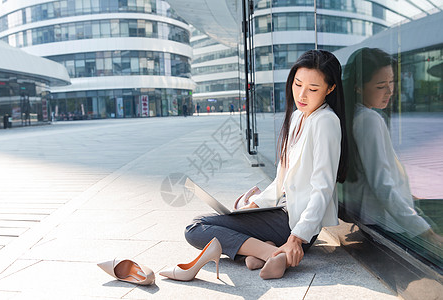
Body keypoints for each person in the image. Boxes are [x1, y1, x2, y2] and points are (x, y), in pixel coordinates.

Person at [184, 50, 348, 280]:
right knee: (221, 221)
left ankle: (272, 252)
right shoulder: (298, 117)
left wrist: (296, 238)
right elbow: (281, 181)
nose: (302, 94)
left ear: (330, 89)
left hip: (297, 225)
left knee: (195, 228)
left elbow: (324, 188)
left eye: (313, 89)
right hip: (281, 213)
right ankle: (268, 252)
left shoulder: (326, 121)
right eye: (297, 84)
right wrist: (255, 205)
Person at [342, 48, 443, 250]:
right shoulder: (369, 120)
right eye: (381, 86)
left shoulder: (352, 115)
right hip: (385, 221)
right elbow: (382, 185)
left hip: (372, 216)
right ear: (358, 88)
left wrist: (407, 194)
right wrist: (426, 232)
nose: (390, 91)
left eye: (392, 82)